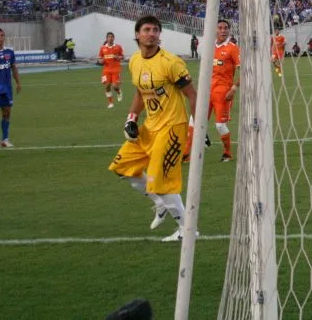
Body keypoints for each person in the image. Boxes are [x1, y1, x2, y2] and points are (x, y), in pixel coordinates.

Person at [108, 15, 198, 242]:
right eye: (147, 29)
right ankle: (160, 204)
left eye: (156, 30)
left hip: (172, 127)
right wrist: (131, 118)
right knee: (122, 167)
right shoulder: (135, 61)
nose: (152, 33)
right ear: (137, 34)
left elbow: (192, 95)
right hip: (150, 126)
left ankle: (187, 231)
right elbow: (140, 92)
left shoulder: (171, 62)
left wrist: (195, 129)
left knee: (161, 179)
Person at [184, 19, 239, 163]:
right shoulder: (209, 47)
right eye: (220, 27)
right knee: (194, 119)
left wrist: (234, 88)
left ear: (229, 31)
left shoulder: (233, 48)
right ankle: (185, 154)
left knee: (220, 125)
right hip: (206, 91)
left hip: (223, 93)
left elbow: (243, 69)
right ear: (215, 30)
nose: (223, 30)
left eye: (225, 28)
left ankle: (227, 153)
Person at [97, 32, 125, 108]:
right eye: (109, 37)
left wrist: (118, 57)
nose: (110, 38)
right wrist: (101, 61)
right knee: (107, 86)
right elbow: (99, 58)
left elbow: (122, 57)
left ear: (114, 38)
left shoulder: (118, 47)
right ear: (106, 38)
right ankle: (110, 103)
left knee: (115, 86)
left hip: (116, 69)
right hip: (106, 70)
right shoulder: (103, 48)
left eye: (112, 37)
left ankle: (119, 92)